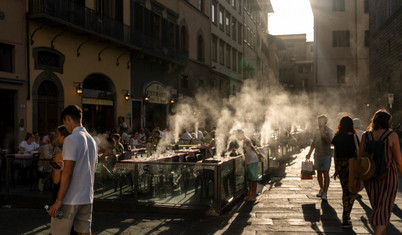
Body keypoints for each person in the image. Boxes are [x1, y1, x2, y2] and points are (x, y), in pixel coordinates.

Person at [48, 105, 98, 235]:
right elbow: (93, 169)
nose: (65, 126)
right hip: (87, 197)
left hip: (70, 198)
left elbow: (68, 172)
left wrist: (58, 201)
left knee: (57, 232)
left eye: (64, 122)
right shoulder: (92, 140)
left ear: (68, 119)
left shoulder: (71, 139)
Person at [359, 109, 402, 235]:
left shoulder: (366, 136)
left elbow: (360, 159)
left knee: (379, 211)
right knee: (383, 212)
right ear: (387, 122)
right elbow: (399, 160)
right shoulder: (392, 135)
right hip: (388, 177)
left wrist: (358, 179)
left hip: (370, 178)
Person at [331, 116, 358, 228]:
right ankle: (346, 217)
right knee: (352, 191)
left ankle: (346, 216)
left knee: (345, 190)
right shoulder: (353, 137)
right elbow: (357, 152)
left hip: (341, 165)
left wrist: (336, 169)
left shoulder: (337, 137)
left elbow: (335, 154)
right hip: (351, 165)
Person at [306, 114, 333, 201]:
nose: (318, 122)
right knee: (319, 173)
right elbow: (314, 142)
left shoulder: (329, 131)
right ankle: (321, 189)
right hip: (317, 154)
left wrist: (323, 134)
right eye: (318, 121)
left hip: (326, 154)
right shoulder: (316, 130)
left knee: (326, 173)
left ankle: (325, 192)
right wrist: (309, 153)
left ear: (325, 121)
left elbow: (329, 142)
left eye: (320, 120)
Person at [236, 129, 262, 202]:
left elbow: (252, 147)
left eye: (237, 135)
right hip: (249, 161)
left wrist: (258, 154)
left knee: (253, 179)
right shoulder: (244, 140)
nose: (237, 137)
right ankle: (250, 194)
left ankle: (253, 195)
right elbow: (245, 152)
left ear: (241, 134)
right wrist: (244, 161)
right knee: (251, 179)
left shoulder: (246, 140)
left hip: (252, 161)